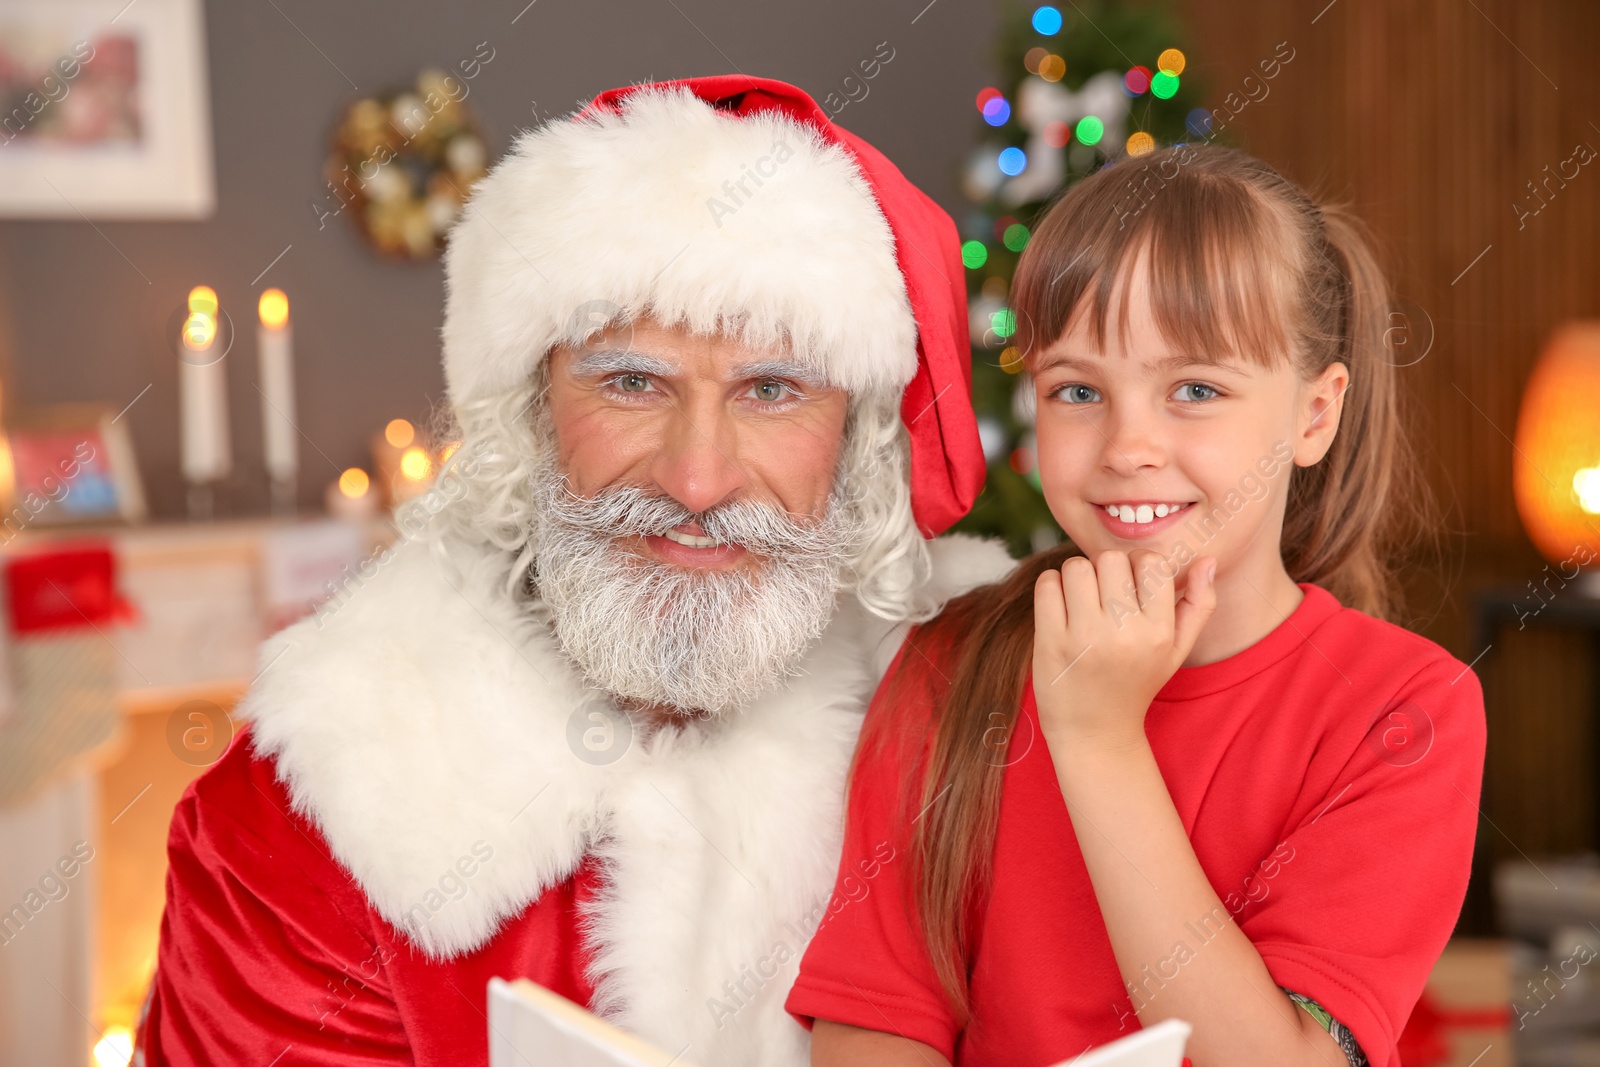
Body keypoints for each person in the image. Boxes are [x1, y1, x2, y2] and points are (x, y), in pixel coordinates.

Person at [134, 76, 1016, 1067]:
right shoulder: (311, 821)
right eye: (630, 381)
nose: (696, 478)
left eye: (772, 389)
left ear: (855, 444)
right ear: (532, 410)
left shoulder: (991, 738)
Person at [787, 145, 1486, 1067]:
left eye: (1195, 390)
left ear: (1314, 416)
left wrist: (1099, 739)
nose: (1128, 445)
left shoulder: (1403, 707)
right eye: (1077, 390)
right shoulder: (947, 666)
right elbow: (876, 1025)